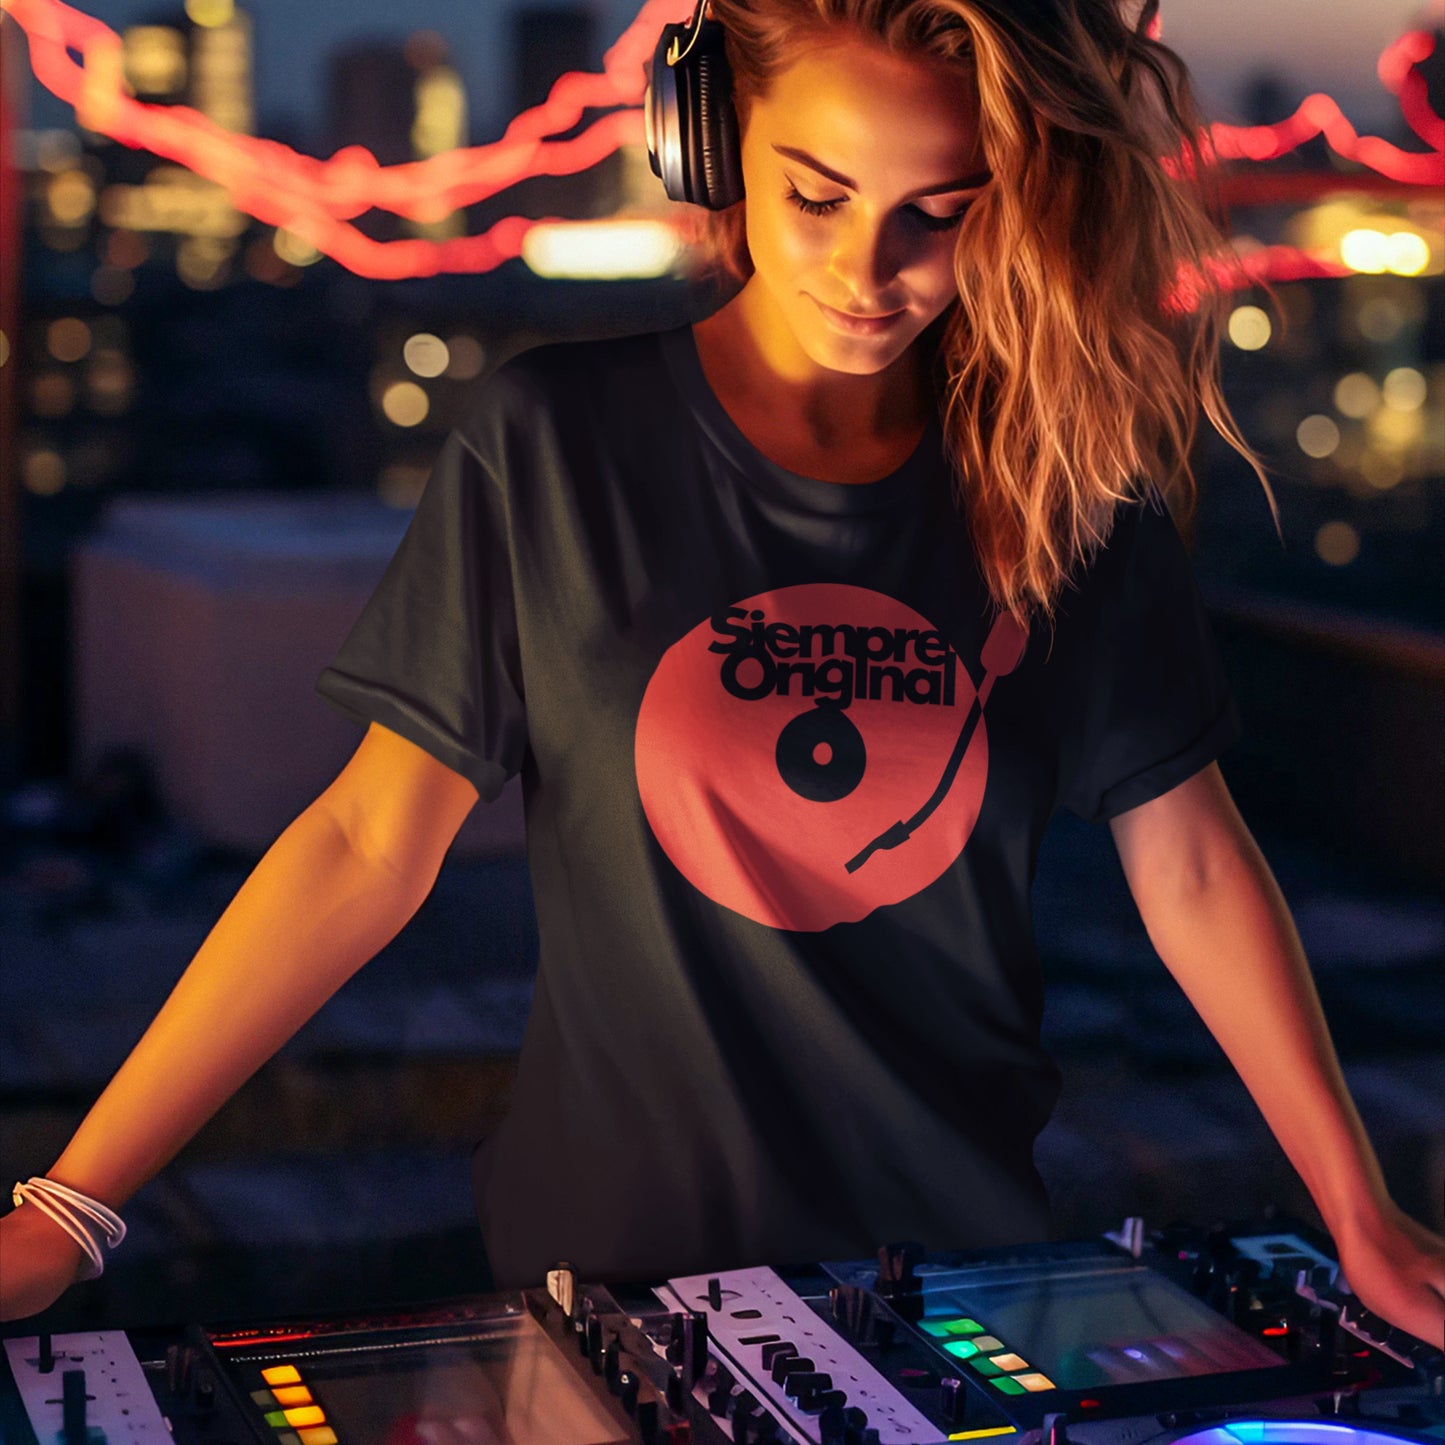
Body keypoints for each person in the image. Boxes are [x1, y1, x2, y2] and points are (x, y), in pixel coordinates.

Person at [4, 0, 1443, 1348]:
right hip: (607, 1279)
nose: (868, 272)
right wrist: (69, 1206)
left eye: (935, 216)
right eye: (815, 194)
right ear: (709, 147)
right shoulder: (555, 441)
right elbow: (365, 843)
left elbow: (1187, 858)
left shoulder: (1063, 478)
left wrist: (1355, 1210)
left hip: (957, 1275)